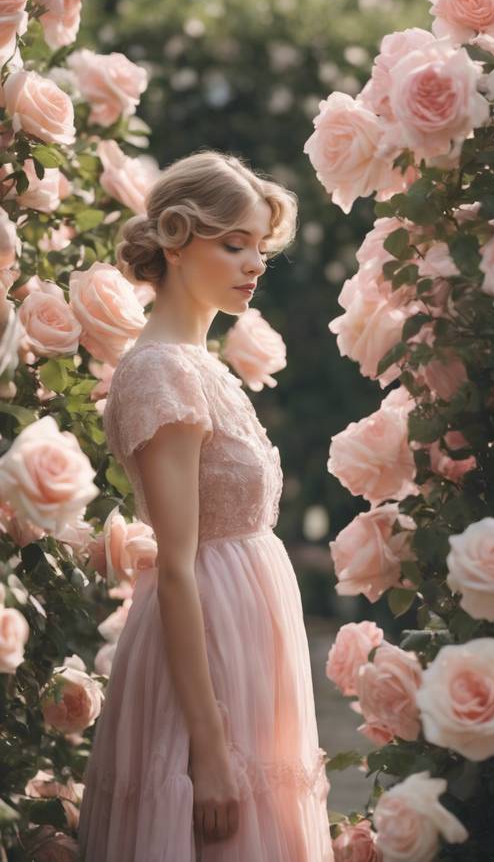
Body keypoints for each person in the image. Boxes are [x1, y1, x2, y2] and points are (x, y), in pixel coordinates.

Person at [77, 149, 334, 862]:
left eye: (259, 247)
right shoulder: (160, 373)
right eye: (235, 243)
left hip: (250, 643)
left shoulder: (200, 364)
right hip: (210, 658)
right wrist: (211, 750)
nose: (254, 263)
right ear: (178, 240)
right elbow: (179, 567)